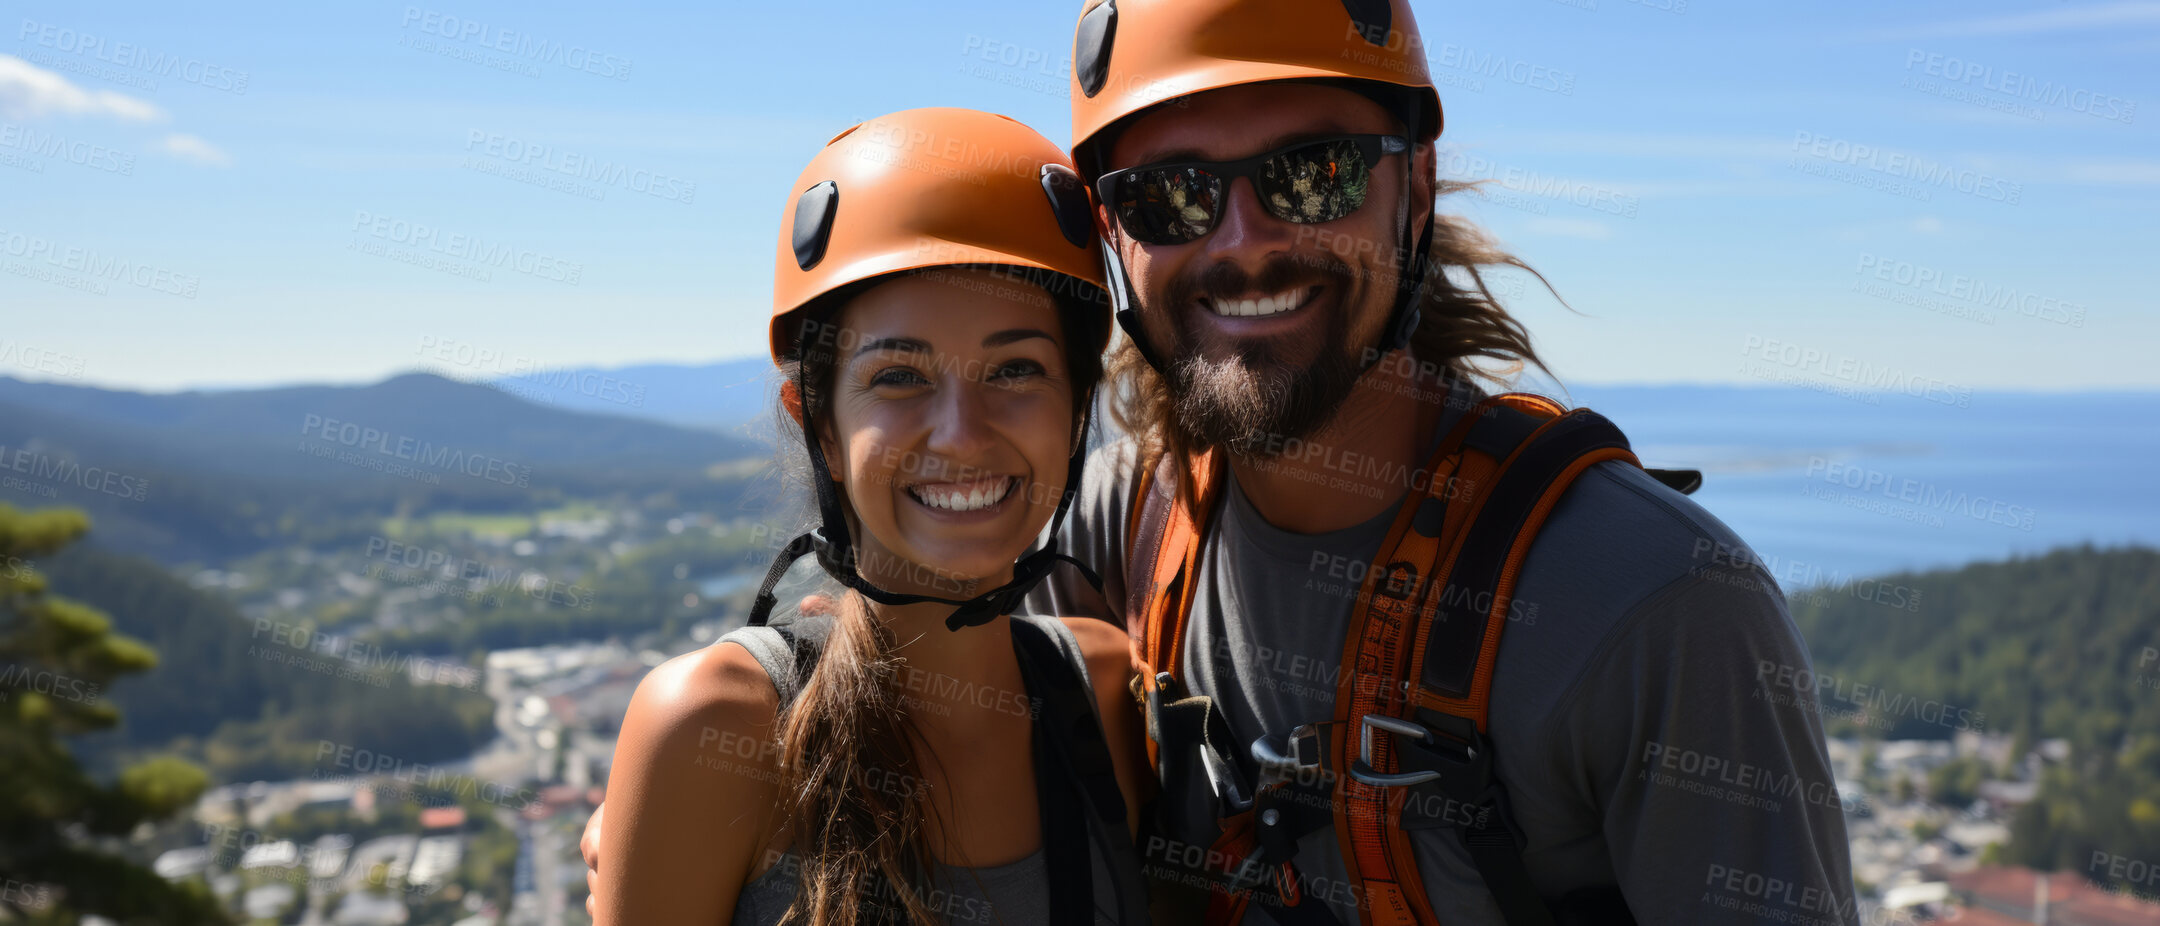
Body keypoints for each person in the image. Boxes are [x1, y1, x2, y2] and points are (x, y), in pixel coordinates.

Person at [1025, 1, 1859, 923]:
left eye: (1315, 174)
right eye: (1168, 195)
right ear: (1111, 232)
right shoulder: (1121, 526)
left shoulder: (1660, 608)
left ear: (1414, 190)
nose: (1242, 241)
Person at [591, 108, 1151, 925]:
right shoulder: (714, 730)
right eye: (898, 376)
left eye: (1016, 368)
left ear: (1075, 411)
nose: (961, 434)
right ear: (819, 418)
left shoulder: (1102, 698)